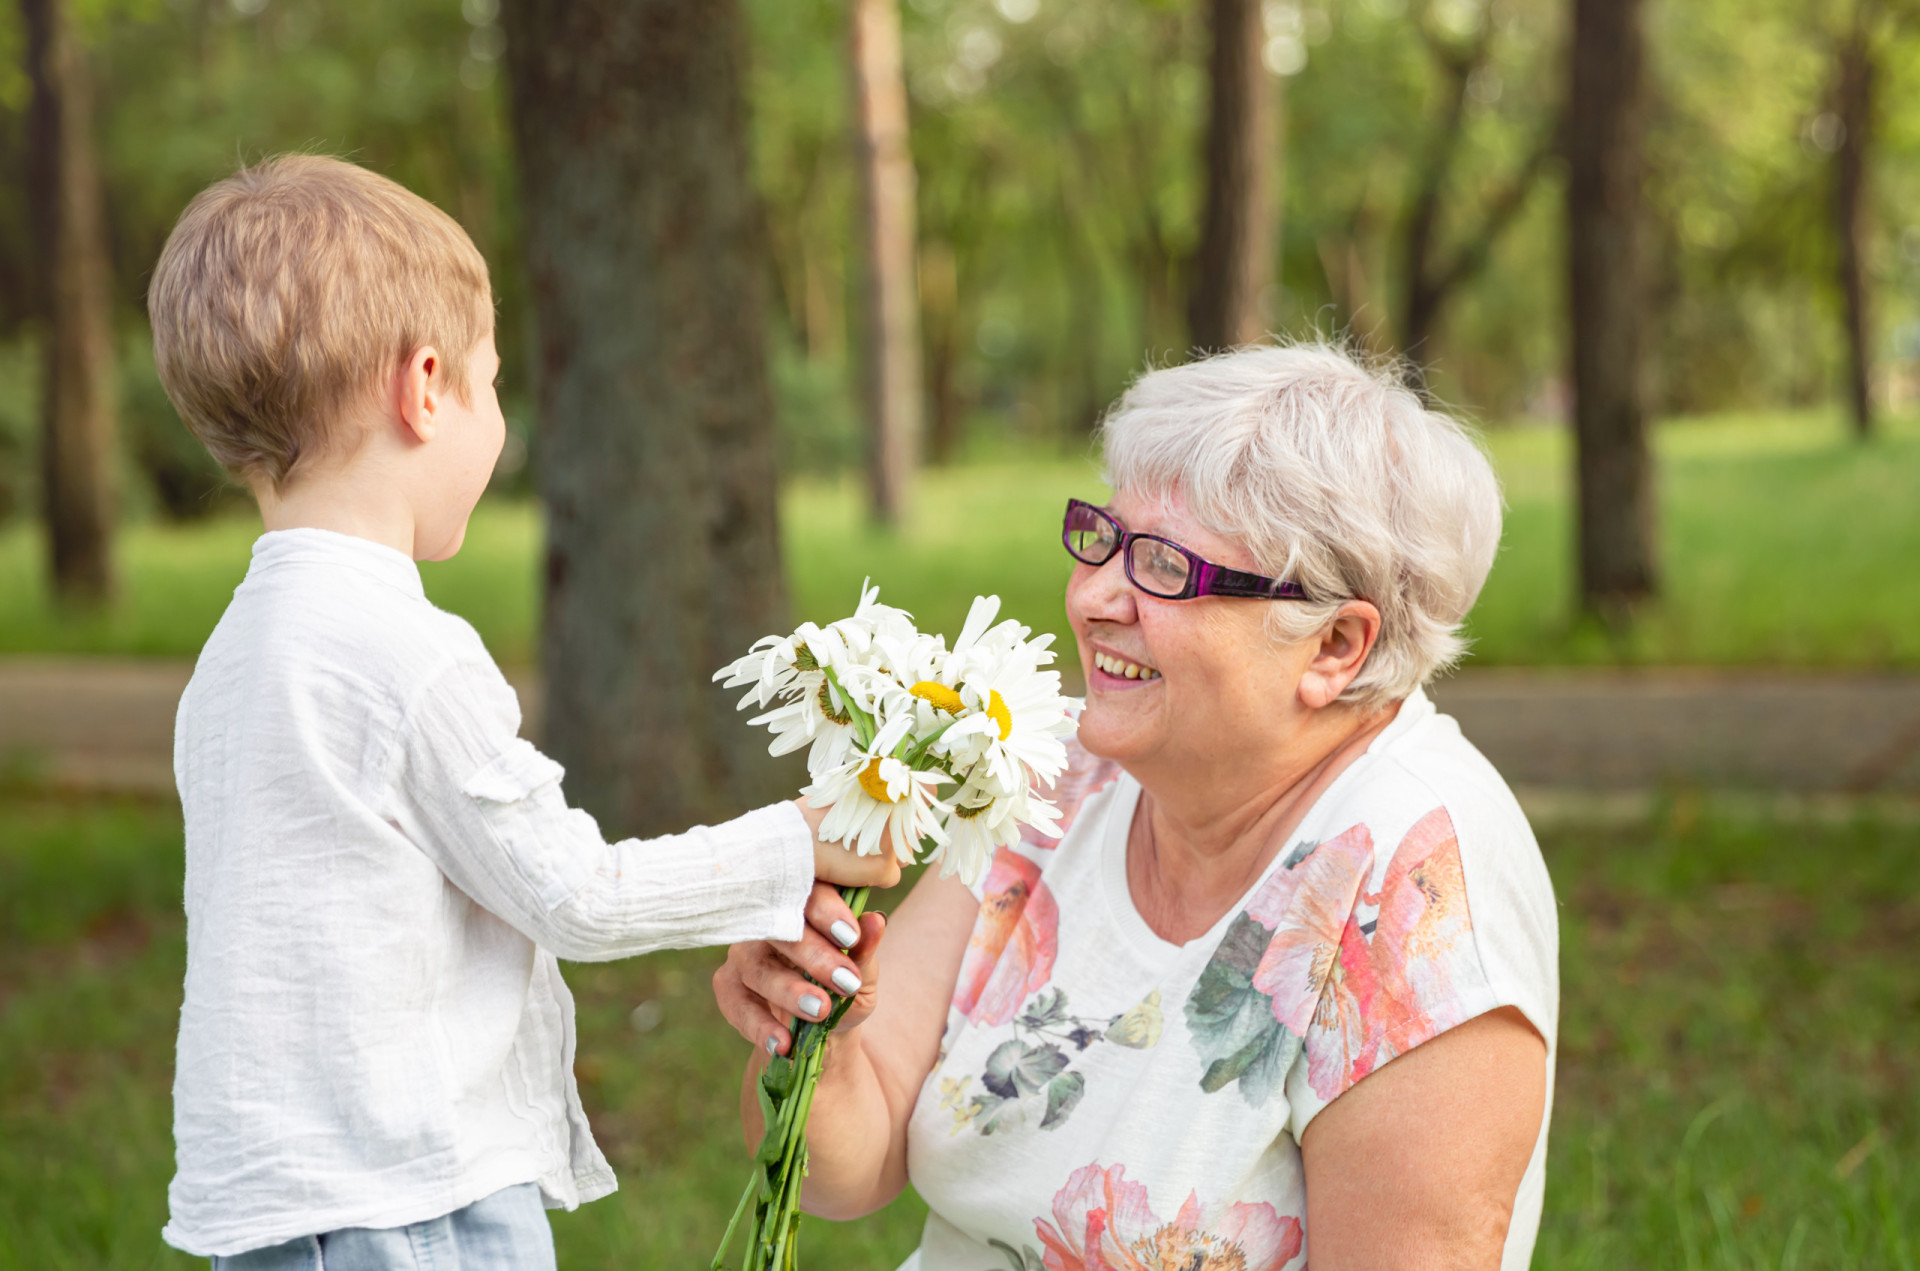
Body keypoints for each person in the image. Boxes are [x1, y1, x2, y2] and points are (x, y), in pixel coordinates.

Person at [146, 155, 897, 1269]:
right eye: (495, 384)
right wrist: (792, 842)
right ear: (426, 386)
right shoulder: (406, 654)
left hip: (288, 1204)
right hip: (406, 1203)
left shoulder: (239, 650)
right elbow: (576, 895)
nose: (499, 417)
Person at [714, 344, 1559, 1271]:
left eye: (1163, 567)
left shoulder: (1418, 891)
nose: (1094, 597)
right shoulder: (1058, 773)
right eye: (1103, 539)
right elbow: (844, 1168)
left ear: (1335, 647)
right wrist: (812, 1038)